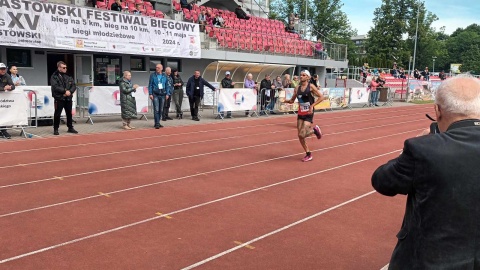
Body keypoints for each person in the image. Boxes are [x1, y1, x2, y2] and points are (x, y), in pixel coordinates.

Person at [371, 76, 480, 269]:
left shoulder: (423, 149)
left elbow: (382, 181)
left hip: (428, 261)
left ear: (437, 111)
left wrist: (415, 148)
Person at [283, 70, 324, 162]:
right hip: (300, 112)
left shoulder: (311, 86)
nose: (301, 76)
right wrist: (285, 101)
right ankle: (308, 154)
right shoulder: (297, 88)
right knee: (300, 136)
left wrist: (312, 106)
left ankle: (315, 130)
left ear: (308, 77)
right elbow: (292, 100)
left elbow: (321, 97)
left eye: (303, 75)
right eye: (300, 75)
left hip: (309, 113)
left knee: (302, 133)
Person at [51, 61, 78, 135]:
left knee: (69, 113)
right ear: (59, 68)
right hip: (59, 98)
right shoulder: (54, 76)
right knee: (57, 114)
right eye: (63, 67)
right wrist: (64, 91)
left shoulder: (68, 75)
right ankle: (55, 129)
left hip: (68, 98)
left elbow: (74, 85)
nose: (65, 69)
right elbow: (55, 87)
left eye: (66, 67)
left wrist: (70, 92)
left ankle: (70, 127)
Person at [148, 64, 169, 129]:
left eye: (158, 68)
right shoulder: (153, 75)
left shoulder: (164, 76)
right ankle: (156, 123)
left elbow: (167, 85)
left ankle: (158, 122)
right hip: (155, 94)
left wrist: (167, 94)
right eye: (156, 67)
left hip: (163, 94)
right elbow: (150, 85)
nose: (157, 69)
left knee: (161, 109)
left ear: (162, 68)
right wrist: (150, 93)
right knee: (156, 109)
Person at [0, 63, 15, 139]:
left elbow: (13, 86)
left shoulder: (7, 76)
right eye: (1, 69)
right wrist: (3, 88)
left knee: (3, 113)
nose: (3, 70)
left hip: (3, 100)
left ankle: (3, 130)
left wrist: (9, 87)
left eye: (4, 69)